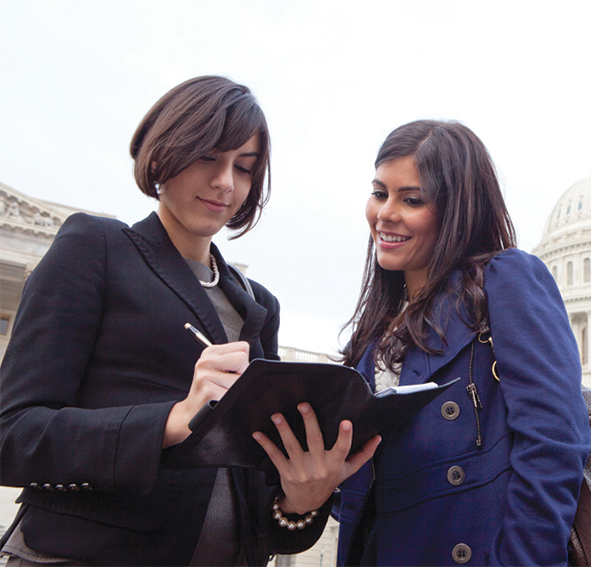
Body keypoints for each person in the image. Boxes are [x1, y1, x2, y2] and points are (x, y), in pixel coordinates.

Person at [0, 76, 378, 567]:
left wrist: (300, 498)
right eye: (209, 158)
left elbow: (262, 508)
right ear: (162, 153)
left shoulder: (258, 305)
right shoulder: (96, 248)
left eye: (244, 168)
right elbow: (13, 434)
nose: (226, 182)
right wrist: (170, 420)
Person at [335, 120, 591, 566]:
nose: (385, 213)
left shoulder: (506, 281)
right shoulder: (374, 334)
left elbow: (554, 444)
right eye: (380, 193)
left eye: (411, 199)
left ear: (456, 210)